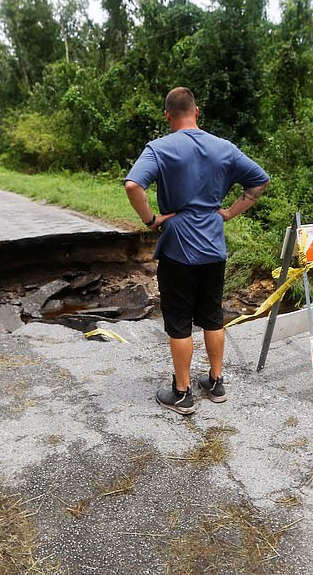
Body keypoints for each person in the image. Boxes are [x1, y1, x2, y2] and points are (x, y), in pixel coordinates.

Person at [125, 87, 270, 415]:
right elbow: (259, 181)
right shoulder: (224, 148)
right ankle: (216, 383)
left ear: (167, 115)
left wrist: (151, 220)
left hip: (178, 247)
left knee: (179, 322)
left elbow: (134, 185)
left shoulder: (159, 148)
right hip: (213, 247)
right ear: (197, 111)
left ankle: (181, 392)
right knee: (212, 316)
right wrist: (230, 213)